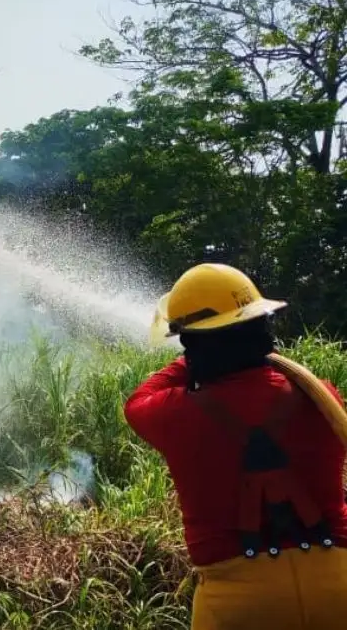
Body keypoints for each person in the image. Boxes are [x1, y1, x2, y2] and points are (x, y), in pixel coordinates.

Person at [125, 263, 347, 629]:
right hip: (338, 584)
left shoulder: (174, 413)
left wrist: (190, 361)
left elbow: (137, 402)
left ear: (194, 346)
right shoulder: (321, 394)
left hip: (238, 604)